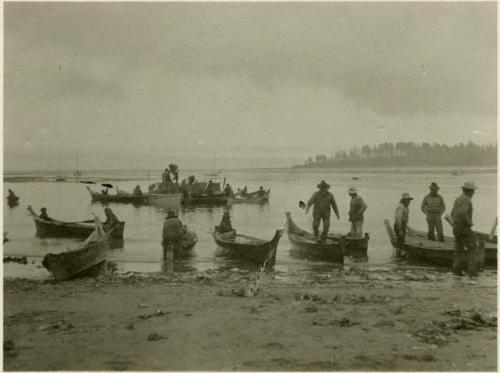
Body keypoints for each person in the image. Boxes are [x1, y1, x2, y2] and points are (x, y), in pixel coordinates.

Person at [450, 182, 479, 277]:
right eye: (472, 191)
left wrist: (457, 222)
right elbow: (463, 213)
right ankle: (472, 271)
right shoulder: (467, 200)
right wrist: (469, 223)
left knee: (458, 248)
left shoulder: (458, 199)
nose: (473, 193)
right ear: (467, 191)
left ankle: (456, 270)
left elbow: (452, 213)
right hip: (464, 227)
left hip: (456, 227)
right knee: (473, 248)